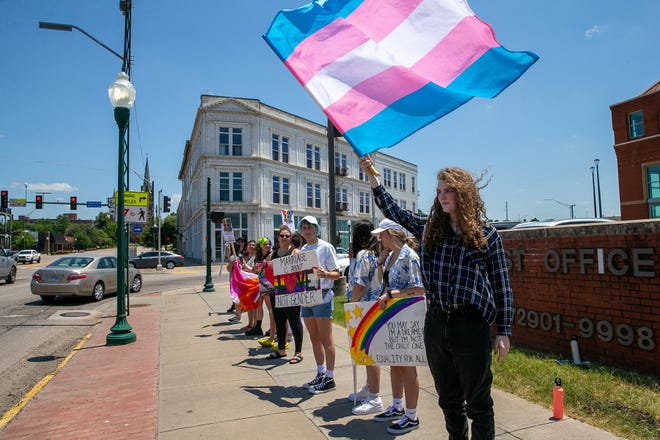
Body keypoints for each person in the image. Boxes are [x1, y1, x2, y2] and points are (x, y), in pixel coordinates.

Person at [360, 156, 513, 440]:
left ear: (464, 193)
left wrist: (503, 331)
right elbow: (395, 210)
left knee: (478, 402)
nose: (442, 197)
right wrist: (373, 178)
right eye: (439, 191)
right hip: (437, 323)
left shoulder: (486, 235)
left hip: (471, 324)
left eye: (449, 190)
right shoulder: (430, 229)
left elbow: (502, 285)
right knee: (448, 400)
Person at [371, 219, 425, 434]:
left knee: (408, 366)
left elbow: (419, 288)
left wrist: (393, 295)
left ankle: (411, 415)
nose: (379, 238)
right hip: (392, 316)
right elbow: (382, 283)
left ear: (392, 234)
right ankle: (397, 406)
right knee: (395, 363)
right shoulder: (391, 255)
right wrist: (380, 264)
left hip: (406, 316)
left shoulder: (409, 256)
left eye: (382, 234)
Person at [345, 220, 384, 415]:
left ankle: (375, 396)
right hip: (372, 306)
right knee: (368, 352)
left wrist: (351, 303)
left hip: (363, 307)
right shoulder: (373, 255)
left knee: (370, 354)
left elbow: (359, 284)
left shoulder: (363, 255)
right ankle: (369, 387)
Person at [298, 215, 340, 394]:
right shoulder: (303, 249)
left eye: (310, 227)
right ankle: (320, 372)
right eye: (304, 228)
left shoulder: (326, 247)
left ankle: (330, 377)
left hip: (322, 297)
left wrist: (325, 274)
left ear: (316, 229)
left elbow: (337, 273)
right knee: (314, 338)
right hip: (306, 298)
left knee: (326, 339)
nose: (307, 231)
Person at [265, 224, 304, 362]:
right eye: (282, 235)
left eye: (287, 236)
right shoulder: (272, 254)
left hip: (291, 292)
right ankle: (281, 350)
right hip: (276, 292)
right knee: (279, 321)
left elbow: (301, 271)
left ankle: (298, 352)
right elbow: (266, 273)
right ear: (278, 237)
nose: (284, 238)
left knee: (294, 321)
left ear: (291, 238)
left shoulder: (295, 252)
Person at [246, 237, 273, 337]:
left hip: (268, 284)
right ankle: (258, 327)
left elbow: (269, 267)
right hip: (258, 283)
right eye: (265, 244)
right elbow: (254, 270)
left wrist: (261, 266)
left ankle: (273, 328)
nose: (267, 246)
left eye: (269, 244)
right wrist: (245, 266)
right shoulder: (257, 256)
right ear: (261, 245)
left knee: (270, 307)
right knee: (258, 306)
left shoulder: (271, 255)